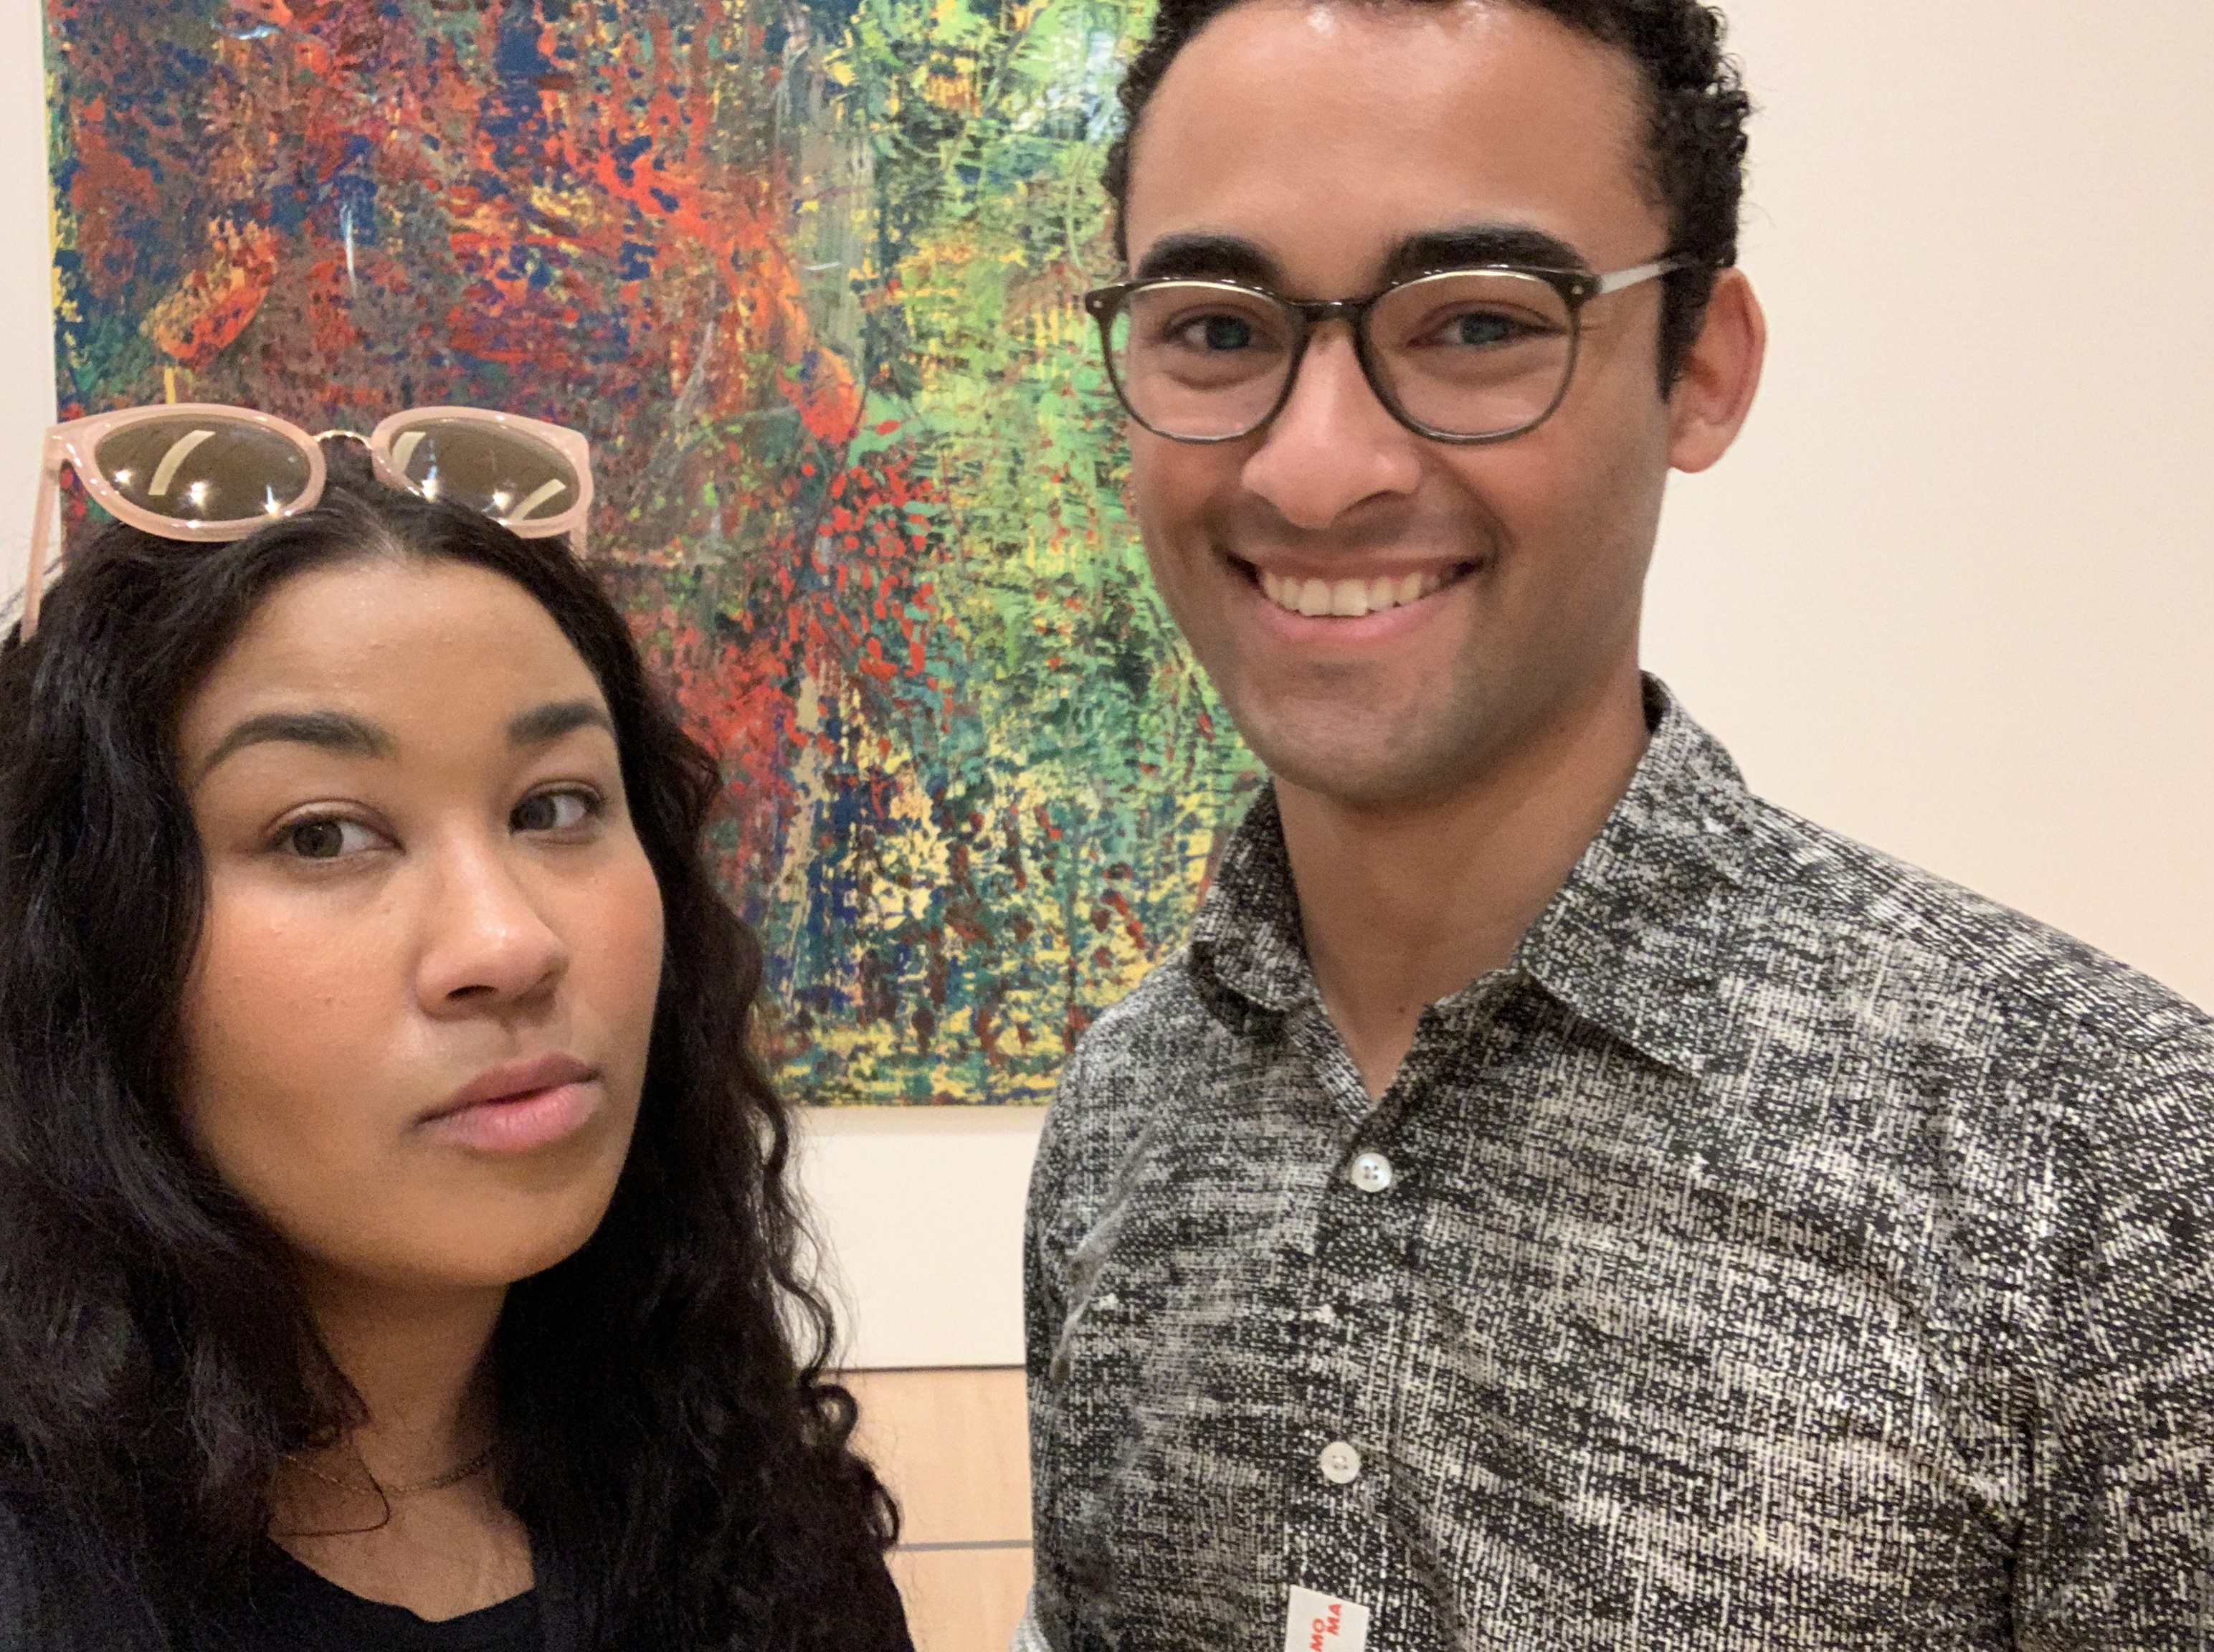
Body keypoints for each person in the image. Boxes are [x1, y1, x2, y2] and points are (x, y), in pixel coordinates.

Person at [1020, 1, 2214, 1648]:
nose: (1314, 469)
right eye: (1216, 331)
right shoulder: (1119, 1111)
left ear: (1699, 370)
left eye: (1474, 324)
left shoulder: (2110, 1164)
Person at [0, 410, 916, 1651]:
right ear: (88, 942)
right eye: (322, 834)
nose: (509, 943)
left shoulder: (751, 1525)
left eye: (555, 807)